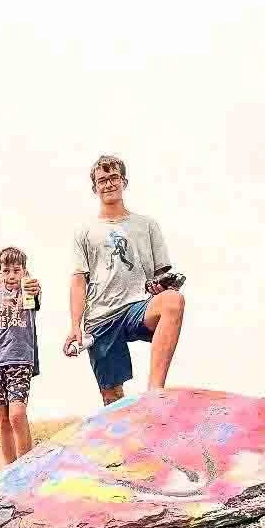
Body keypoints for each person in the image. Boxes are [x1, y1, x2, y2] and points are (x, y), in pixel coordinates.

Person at [64, 154, 186, 405]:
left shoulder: (147, 225)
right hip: (101, 316)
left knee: (173, 300)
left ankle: (155, 392)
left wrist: (163, 285)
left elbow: (161, 275)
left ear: (124, 181)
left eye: (113, 178)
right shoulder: (85, 231)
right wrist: (75, 326)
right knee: (112, 399)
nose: (108, 184)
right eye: (102, 180)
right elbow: (78, 281)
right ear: (94, 187)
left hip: (137, 307)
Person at [0, 246, 42, 464]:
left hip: (20, 358)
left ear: (24, 271)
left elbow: (35, 298)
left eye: (16, 270)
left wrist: (34, 288)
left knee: (17, 414)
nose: (11, 275)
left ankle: (26, 470)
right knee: (3, 420)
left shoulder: (30, 289)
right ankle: (10, 471)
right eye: (6, 270)